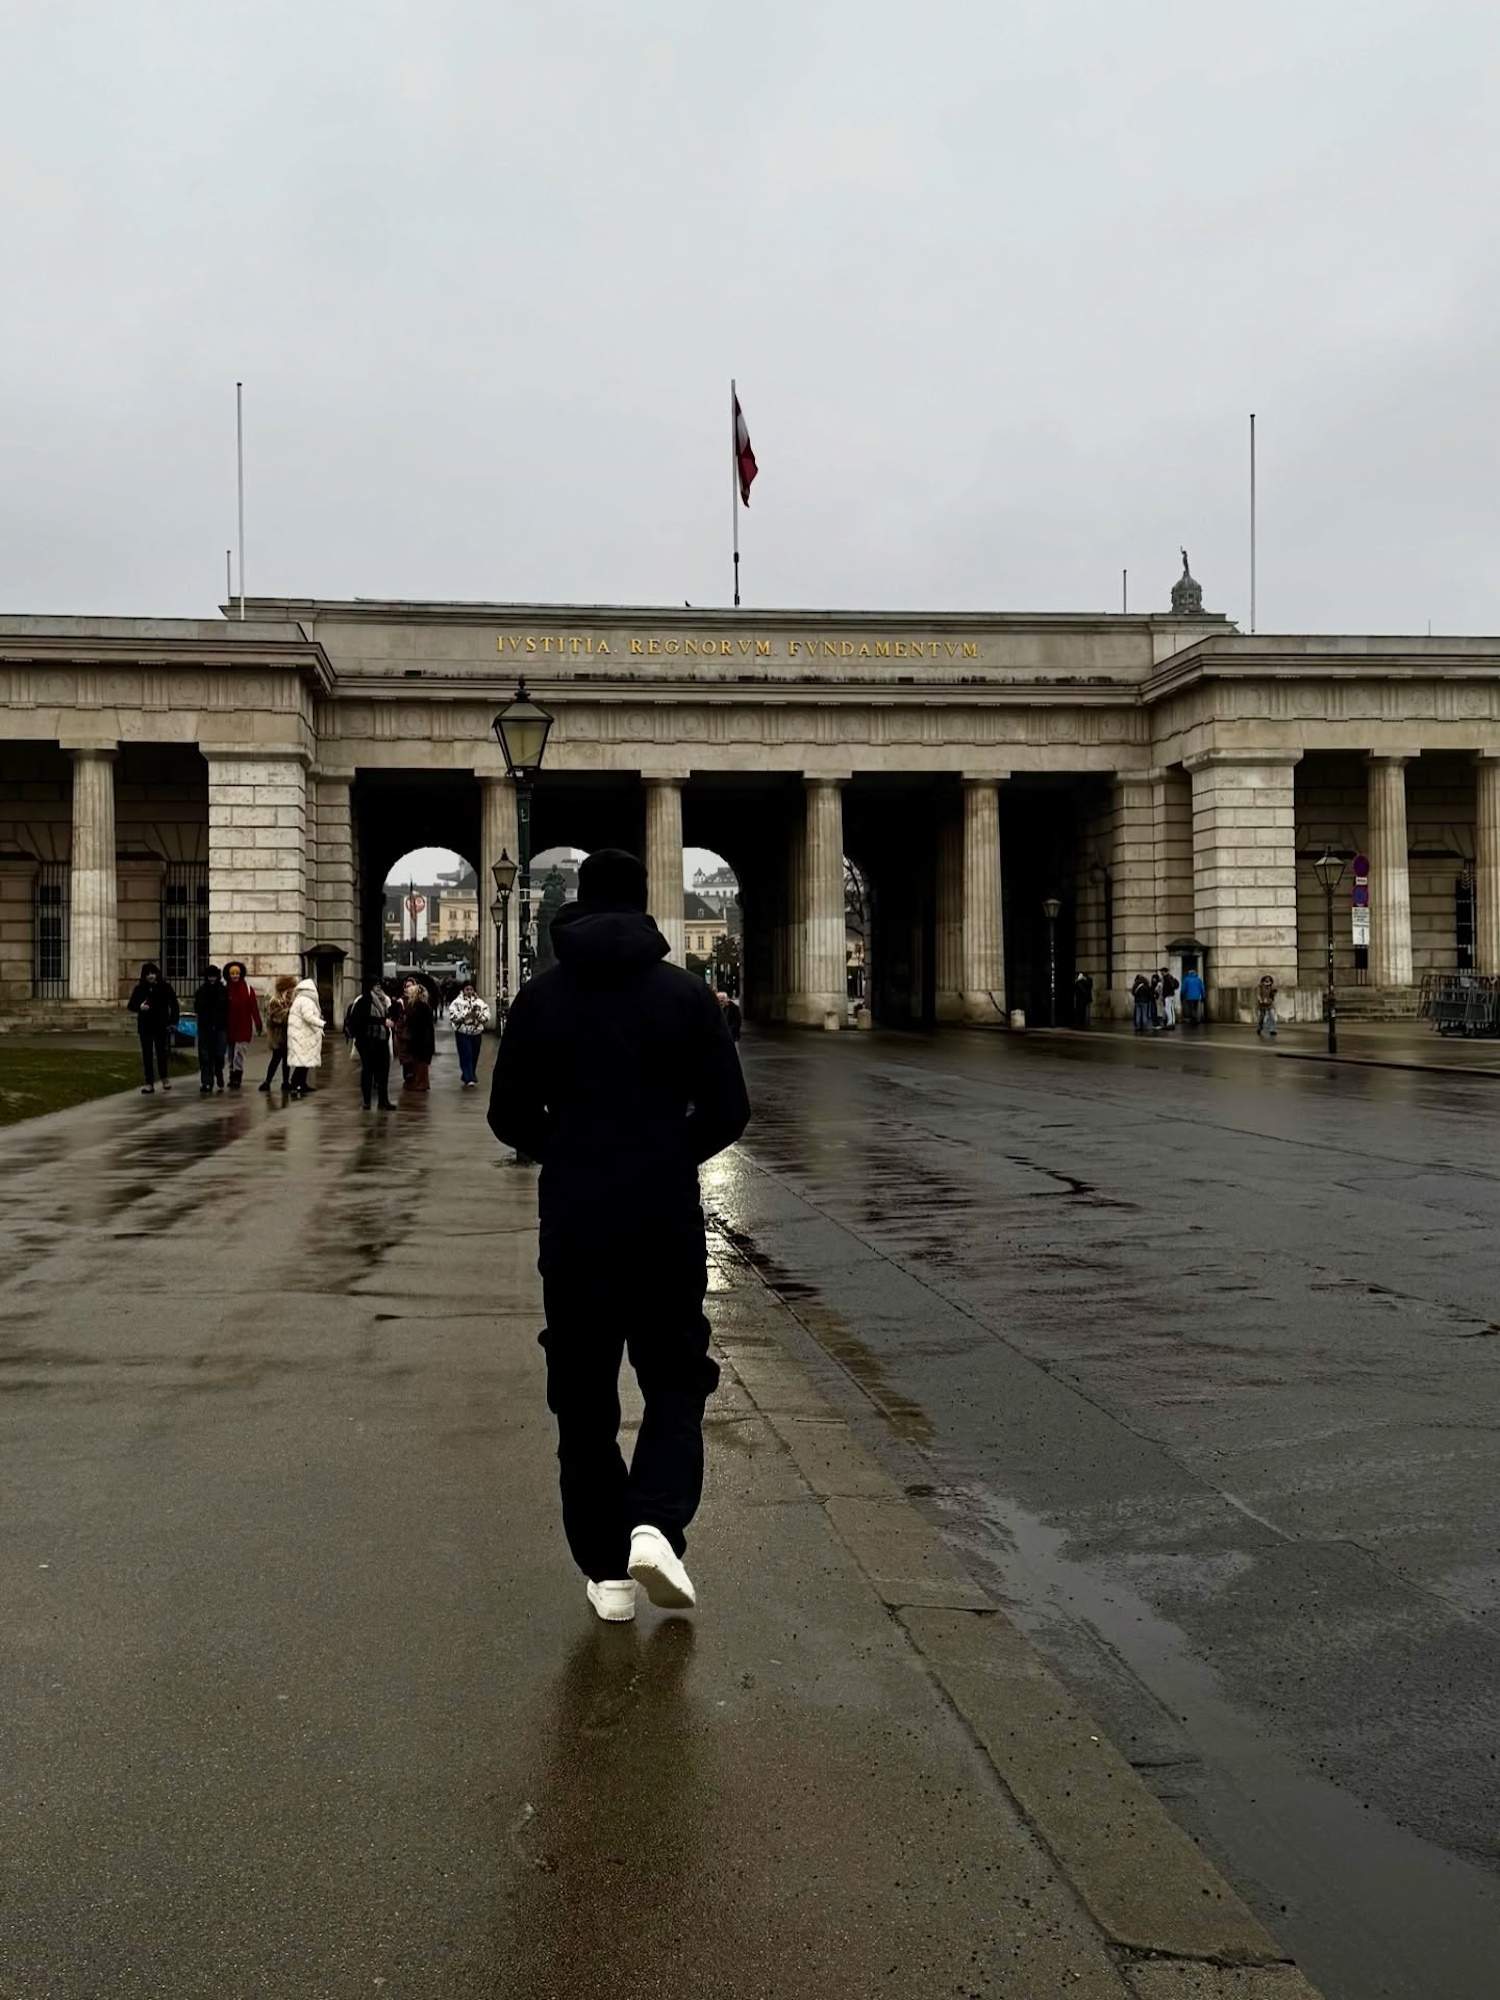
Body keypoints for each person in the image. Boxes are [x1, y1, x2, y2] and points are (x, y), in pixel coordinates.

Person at [489, 847, 750, 1625]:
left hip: (574, 1222)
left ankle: (606, 1572)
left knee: (583, 1396)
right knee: (675, 1375)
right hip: (663, 1218)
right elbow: (730, 1110)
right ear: (644, 906)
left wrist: (568, 1150)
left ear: (577, 903)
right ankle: (655, 1522)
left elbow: (507, 1116)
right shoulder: (688, 996)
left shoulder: (540, 1000)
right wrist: (667, 1152)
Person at [344, 975, 396, 1109]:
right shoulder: (363, 1001)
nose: (379, 987)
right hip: (367, 1041)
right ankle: (366, 1101)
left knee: (383, 1071)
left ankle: (383, 1101)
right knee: (368, 1071)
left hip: (382, 1039)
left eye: (380, 984)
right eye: (376, 985)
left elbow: (389, 1015)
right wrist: (382, 1021)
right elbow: (360, 1020)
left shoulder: (384, 1000)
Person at [127, 961, 179, 1094]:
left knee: (162, 1052)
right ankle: (149, 1082)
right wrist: (140, 1006)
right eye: (148, 974)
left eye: (153, 973)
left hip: (161, 1025)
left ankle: (164, 1078)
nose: (151, 976)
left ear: (157, 974)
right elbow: (131, 1005)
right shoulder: (140, 989)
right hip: (145, 1026)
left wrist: (173, 1022)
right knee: (147, 1055)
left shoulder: (165, 987)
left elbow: (174, 1005)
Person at [222, 960, 263, 1089]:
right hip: (229, 1028)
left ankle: (237, 1078)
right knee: (230, 1055)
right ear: (228, 975)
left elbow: (254, 1008)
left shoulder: (248, 989)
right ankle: (231, 1075)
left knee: (239, 1054)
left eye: (237, 973)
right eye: (232, 973)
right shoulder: (225, 989)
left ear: (241, 974)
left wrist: (258, 1023)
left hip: (243, 1027)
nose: (235, 976)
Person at [285, 976, 325, 1098]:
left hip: (302, 1034)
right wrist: (321, 1023)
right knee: (302, 1062)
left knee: (303, 1062)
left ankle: (301, 1084)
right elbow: (308, 1016)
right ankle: (296, 1084)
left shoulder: (300, 999)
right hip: (303, 1035)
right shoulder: (306, 1000)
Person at [193, 964, 229, 1094]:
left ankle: (218, 1072)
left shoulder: (223, 990)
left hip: (220, 1027)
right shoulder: (201, 991)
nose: (212, 979)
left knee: (219, 1055)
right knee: (205, 1056)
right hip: (205, 1027)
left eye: (214, 976)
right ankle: (206, 1082)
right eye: (210, 976)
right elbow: (197, 1008)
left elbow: (227, 1009)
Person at [449, 979, 492, 1087]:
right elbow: (453, 1016)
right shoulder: (457, 1002)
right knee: (466, 1054)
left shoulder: (479, 1002)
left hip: (476, 1032)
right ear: (463, 990)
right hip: (463, 1032)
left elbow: (487, 1014)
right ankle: (469, 1078)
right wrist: (465, 1015)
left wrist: (479, 1016)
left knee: (474, 1055)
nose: (469, 991)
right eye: (467, 989)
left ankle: (469, 1074)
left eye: (471, 989)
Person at [258, 973, 297, 1092]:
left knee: (286, 1060)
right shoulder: (275, 1001)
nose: (291, 991)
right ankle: (267, 1081)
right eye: (289, 989)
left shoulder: (289, 1000)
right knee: (276, 1059)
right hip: (277, 1036)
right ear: (284, 988)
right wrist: (292, 1012)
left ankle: (286, 1082)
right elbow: (278, 1018)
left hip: (286, 1035)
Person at [403, 983, 436, 1090]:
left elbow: (416, 1022)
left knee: (420, 1062)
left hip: (420, 1038)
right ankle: (421, 1082)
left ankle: (421, 1083)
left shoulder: (418, 1006)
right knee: (421, 1061)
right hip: (422, 1037)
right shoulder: (422, 1005)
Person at [1255, 972, 1279, 1039]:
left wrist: (1273, 993)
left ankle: (1272, 1030)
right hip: (1262, 1004)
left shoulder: (1271, 987)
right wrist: (1260, 1000)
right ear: (1263, 980)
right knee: (1261, 1018)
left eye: (1269, 980)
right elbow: (1258, 994)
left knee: (1272, 1017)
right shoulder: (1260, 986)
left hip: (1269, 1004)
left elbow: (1273, 996)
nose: (1268, 981)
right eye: (1266, 980)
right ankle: (1259, 1028)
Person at [1160, 966, 1180, 1031]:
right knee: (1169, 1009)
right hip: (1169, 995)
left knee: (1169, 1009)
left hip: (1168, 996)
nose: (1161, 973)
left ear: (1165, 972)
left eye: (1162, 971)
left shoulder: (1167, 978)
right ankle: (1171, 1022)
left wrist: (1164, 995)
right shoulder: (1168, 977)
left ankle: (1170, 1023)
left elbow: (1167, 988)